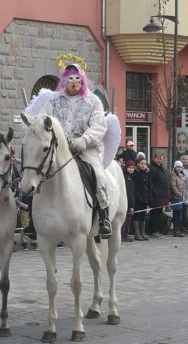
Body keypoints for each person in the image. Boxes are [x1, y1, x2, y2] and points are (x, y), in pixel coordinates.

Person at [24, 63, 111, 238]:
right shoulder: (53, 100)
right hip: (59, 148)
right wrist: (31, 121)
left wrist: (84, 140)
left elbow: (99, 125)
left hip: (85, 149)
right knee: (38, 172)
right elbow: (42, 119)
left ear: (82, 80)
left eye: (77, 79)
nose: (73, 83)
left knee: (99, 175)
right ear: (64, 80)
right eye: (70, 79)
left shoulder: (93, 101)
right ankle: (34, 221)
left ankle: (103, 216)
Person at [148, 152, 171, 238]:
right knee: (154, 214)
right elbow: (150, 183)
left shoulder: (162, 169)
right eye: (157, 158)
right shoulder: (152, 168)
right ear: (154, 159)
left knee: (158, 214)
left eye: (161, 159)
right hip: (155, 197)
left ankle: (156, 230)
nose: (159, 160)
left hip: (162, 197)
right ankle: (153, 231)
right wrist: (153, 194)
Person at [131, 157, 150, 241]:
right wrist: (138, 198)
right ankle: (137, 233)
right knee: (137, 216)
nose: (143, 165)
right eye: (141, 163)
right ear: (137, 164)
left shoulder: (145, 173)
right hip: (137, 199)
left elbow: (147, 186)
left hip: (144, 199)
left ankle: (142, 232)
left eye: (145, 164)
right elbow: (135, 188)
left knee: (143, 216)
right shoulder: (135, 174)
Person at [169, 160, 185, 238]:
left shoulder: (181, 175)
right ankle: (176, 230)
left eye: (180, 167)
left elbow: (183, 186)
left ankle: (178, 229)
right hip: (176, 197)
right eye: (177, 167)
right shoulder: (173, 175)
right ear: (175, 167)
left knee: (179, 214)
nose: (179, 168)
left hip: (180, 197)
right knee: (176, 214)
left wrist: (184, 195)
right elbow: (173, 186)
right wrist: (179, 194)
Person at [122, 161, 136, 242]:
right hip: (127, 202)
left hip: (130, 202)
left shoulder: (130, 177)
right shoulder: (126, 177)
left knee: (128, 219)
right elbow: (128, 192)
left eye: (132, 168)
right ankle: (124, 235)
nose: (131, 169)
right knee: (126, 220)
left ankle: (126, 233)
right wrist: (131, 206)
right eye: (129, 168)